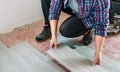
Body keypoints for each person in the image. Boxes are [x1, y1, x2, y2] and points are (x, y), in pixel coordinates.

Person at [49, 0, 110, 65]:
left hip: (90, 14)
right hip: (77, 7)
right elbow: (54, 10)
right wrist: (53, 36)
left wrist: (98, 52)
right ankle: (47, 27)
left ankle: (89, 28)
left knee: (65, 30)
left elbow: (101, 26)